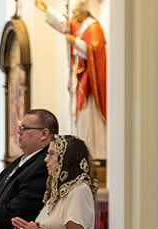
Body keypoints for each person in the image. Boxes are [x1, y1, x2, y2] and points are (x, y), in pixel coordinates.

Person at [35, 0, 107, 160]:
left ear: (83, 12)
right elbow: (64, 25)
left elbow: (94, 49)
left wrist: (76, 42)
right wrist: (47, 10)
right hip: (80, 79)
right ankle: (83, 153)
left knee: (88, 119)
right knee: (81, 119)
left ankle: (95, 154)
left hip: (90, 82)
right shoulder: (81, 27)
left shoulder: (93, 27)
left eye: (75, 13)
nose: (73, 17)